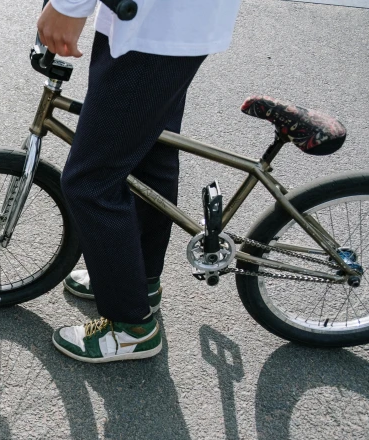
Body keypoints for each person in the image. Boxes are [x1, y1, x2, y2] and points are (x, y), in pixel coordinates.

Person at [37, 0, 242, 363]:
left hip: (149, 25)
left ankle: (132, 328)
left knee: (90, 182)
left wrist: (69, 4)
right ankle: (139, 283)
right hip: (167, 23)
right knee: (147, 158)